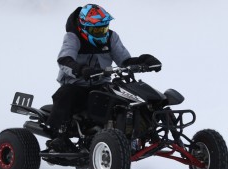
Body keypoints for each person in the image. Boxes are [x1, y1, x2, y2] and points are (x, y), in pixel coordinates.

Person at [46, 4, 162, 153]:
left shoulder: (111, 37)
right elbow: (64, 60)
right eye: (96, 30)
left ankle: (135, 131)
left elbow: (124, 61)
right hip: (76, 84)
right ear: (84, 27)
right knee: (65, 94)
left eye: (104, 28)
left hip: (101, 84)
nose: (101, 33)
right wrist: (81, 69)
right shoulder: (73, 37)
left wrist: (144, 60)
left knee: (126, 97)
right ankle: (59, 137)